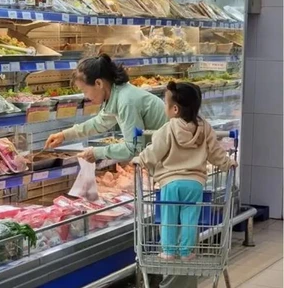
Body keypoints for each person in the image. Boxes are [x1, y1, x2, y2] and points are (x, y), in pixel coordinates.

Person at [133, 81, 237, 260]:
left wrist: (140, 160)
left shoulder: (168, 129)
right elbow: (215, 153)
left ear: (175, 109)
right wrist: (228, 163)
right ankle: (186, 252)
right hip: (195, 183)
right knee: (190, 219)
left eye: (166, 103)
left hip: (171, 182)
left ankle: (168, 251)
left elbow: (154, 151)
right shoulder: (205, 128)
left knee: (169, 217)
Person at [44, 54, 167, 162]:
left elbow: (133, 148)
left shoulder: (126, 101)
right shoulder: (118, 94)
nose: (85, 96)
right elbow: (100, 123)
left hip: (172, 160)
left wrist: (96, 153)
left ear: (99, 83)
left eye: (84, 90)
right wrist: (64, 135)